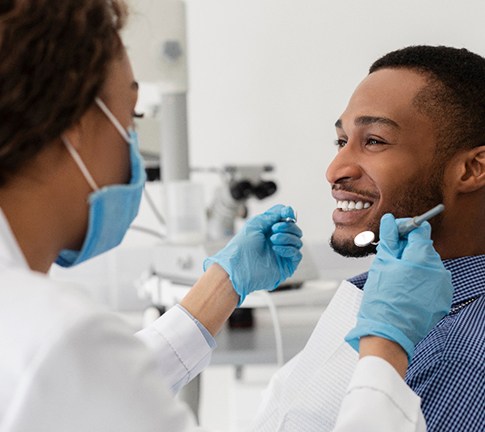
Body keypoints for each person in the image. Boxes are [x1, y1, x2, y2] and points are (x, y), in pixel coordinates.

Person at [0, 2, 457, 431]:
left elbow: (87, 397)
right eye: (132, 116)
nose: (334, 170)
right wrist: (387, 348)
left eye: (374, 140)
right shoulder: (56, 339)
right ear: (74, 126)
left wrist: (222, 285)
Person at [250, 45, 485, 432]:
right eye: (341, 142)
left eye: (374, 140)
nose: (335, 170)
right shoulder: (387, 305)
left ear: (472, 169)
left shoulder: (453, 358)